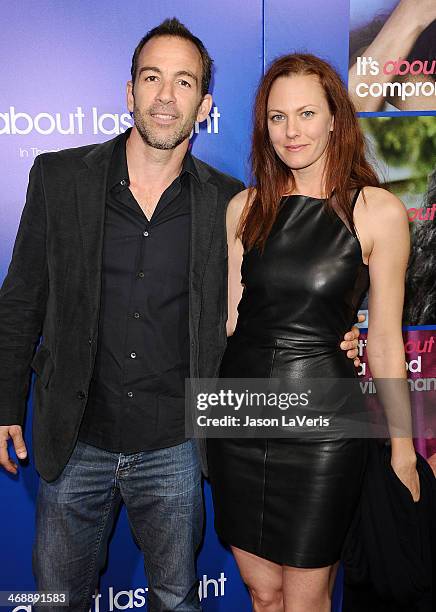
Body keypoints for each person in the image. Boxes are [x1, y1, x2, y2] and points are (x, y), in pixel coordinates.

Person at [0, 20, 362, 612]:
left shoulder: (235, 203)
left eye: (184, 82)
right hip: (76, 439)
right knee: (56, 599)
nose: (166, 96)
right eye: (152, 78)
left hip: (178, 445)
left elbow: (270, 308)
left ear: (205, 103)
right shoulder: (60, 177)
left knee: (177, 601)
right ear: (129, 92)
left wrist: (337, 337)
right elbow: (19, 300)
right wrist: (3, 403)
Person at [207, 53, 420, 612]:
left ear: (334, 118)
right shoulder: (243, 209)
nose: (292, 130)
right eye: (277, 117)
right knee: (261, 591)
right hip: (238, 413)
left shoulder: (378, 211)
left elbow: (385, 342)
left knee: (306, 599)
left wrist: (401, 448)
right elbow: (233, 323)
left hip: (325, 423)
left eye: (306, 113)